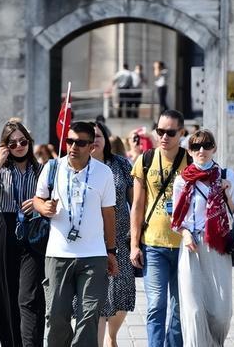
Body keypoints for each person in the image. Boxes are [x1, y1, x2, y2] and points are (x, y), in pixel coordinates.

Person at [33, 121, 118, 347]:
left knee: (89, 316)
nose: (73, 146)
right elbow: (37, 199)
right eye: (70, 141)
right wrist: (43, 207)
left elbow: (108, 215)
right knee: (56, 316)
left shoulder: (104, 173)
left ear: (91, 146)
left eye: (80, 142)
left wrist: (111, 251)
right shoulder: (52, 168)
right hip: (58, 254)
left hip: (94, 255)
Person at [171, 129, 234, 346]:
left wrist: (226, 193)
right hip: (191, 245)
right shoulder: (182, 180)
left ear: (214, 148)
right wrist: (185, 234)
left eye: (206, 145)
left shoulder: (227, 175)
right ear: (189, 151)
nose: (201, 150)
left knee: (221, 312)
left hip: (217, 244)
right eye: (196, 147)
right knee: (193, 310)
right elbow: (176, 219)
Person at [0, 120, 45, 347]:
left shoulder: (40, 170)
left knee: (30, 296)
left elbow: (52, 200)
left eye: (23, 141)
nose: (19, 146)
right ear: (5, 145)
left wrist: (38, 204)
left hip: (33, 231)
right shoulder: (1, 170)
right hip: (4, 229)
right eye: (12, 142)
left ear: (29, 141)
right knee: (5, 294)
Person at [129, 110, 189, 347]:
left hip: (185, 246)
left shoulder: (191, 160)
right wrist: (135, 245)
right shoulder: (145, 159)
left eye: (171, 132)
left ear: (181, 133)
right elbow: (137, 205)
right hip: (153, 244)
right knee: (156, 304)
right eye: (160, 131)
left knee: (178, 307)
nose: (164, 136)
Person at [88, 122, 134, 347]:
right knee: (94, 297)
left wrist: (137, 235)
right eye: (90, 136)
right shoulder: (78, 167)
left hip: (120, 241)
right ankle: (98, 339)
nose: (95, 139)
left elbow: (135, 202)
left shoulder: (121, 164)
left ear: (106, 139)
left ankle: (111, 336)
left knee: (122, 295)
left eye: (98, 135)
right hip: (89, 242)